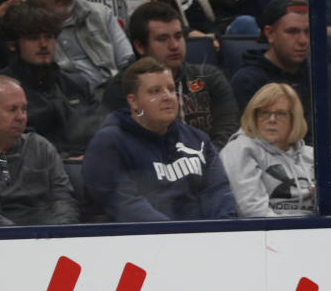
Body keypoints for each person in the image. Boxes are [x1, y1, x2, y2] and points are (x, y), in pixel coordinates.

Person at [83, 57, 237, 221]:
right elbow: (125, 206)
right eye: (155, 91)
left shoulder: (198, 139)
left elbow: (217, 191)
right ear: (133, 101)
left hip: (202, 238)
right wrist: (178, 235)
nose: (167, 97)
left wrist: (221, 230)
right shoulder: (108, 143)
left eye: (171, 89)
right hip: (141, 240)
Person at [230, 0, 331, 152]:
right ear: (270, 33)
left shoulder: (327, 76)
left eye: (308, 32)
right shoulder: (247, 81)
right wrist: (319, 152)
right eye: (292, 32)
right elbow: (258, 146)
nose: (303, 40)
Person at [100, 2, 239, 150]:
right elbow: (136, 146)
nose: (174, 45)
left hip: (214, 162)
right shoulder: (123, 90)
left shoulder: (209, 77)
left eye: (178, 36)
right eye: (162, 39)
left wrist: (209, 160)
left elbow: (228, 128)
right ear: (140, 46)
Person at [220, 82, 331, 216]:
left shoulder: (314, 156)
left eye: (281, 113)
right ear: (254, 116)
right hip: (272, 234)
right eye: (264, 113)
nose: (272, 119)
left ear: (294, 119)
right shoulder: (240, 149)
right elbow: (252, 211)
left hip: (319, 231)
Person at [0, 0, 103, 157]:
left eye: (49, 36)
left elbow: (101, 132)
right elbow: (19, 148)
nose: (43, 44)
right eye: (33, 37)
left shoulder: (77, 84)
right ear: (13, 44)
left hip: (89, 166)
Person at [0, 74, 79, 225]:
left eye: (24, 109)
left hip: (49, 236)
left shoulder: (40, 147)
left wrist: (60, 231)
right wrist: (21, 238)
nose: (21, 117)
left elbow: (62, 198)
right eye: (12, 109)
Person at [28, 0, 133, 92]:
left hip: (116, 94)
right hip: (70, 103)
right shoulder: (25, 27)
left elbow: (129, 64)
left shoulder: (100, 13)